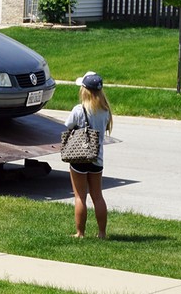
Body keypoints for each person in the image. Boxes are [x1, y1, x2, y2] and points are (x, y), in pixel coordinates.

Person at [65, 71, 113, 238]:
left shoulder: (79, 110)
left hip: (79, 156)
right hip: (97, 157)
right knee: (97, 196)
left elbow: (68, 125)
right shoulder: (105, 111)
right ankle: (102, 233)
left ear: (84, 90)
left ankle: (80, 232)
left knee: (80, 196)